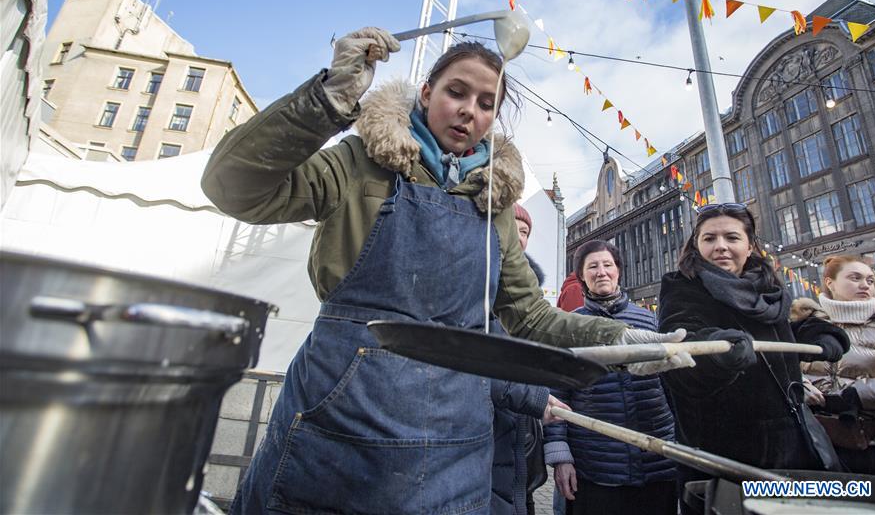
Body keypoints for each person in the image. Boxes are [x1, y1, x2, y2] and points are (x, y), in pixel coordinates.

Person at [201, 28, 691, 514]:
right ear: (427, 92)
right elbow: (233, 186)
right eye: (457, 92)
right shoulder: (359, 162)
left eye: (485, 103)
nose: (468, 110)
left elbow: (533, 319)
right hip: (339, 420)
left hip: (455, 443)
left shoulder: (494, 204)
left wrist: (622, 340)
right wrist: (327, 98)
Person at [657, 203, 850, 514]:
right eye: (709, 238)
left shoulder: (767, 288)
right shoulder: (682, 290)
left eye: (731, 237)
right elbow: (681, 347)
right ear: (696, 246)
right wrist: (717, 351)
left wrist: (814, 331)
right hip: (728, 453)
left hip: (798, 442)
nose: (720, 246)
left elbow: (777, 333)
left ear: (749, 245)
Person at [545, 240, 677, 515]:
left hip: (656, 459)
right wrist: (560, 457)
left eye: (608, 265)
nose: (601, 272)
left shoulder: (649, 321)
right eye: (592, 266)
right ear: (581, 276)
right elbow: (559, 392)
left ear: (618, 271)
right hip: (595, 463)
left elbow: (671, 388)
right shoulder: (571, 325)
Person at [791, 255, 875, 476]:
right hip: (820, 447)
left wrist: (862, 392)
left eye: (870, 280)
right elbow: (784, 372)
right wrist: (800, 385)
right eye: (855, 277)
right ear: (830, 282)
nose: (865, 285)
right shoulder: (805, 329)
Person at [492, 203, 550, 515]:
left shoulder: (532, 300)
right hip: (486, 427)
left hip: (523, 430)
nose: (518, 236)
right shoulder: (479, 288)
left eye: (525, 231)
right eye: (510, 225)